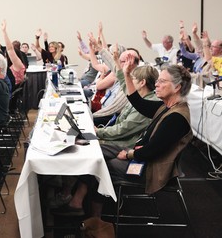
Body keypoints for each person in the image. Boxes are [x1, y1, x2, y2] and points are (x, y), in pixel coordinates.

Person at [53, 62, 193, 220]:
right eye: (157, 80)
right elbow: (138, 103)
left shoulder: (176, 118)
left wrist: (129, 155)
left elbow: (150, 151)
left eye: (162, 81)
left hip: (150, 168)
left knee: (102, 164)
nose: (156, 85)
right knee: (94, 151)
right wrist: (125, 74)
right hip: (139, 153)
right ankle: (73, 195)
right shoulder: (166, 107)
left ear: (177, 87)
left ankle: (93, 216)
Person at [95, 65, 159, 148]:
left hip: (124, 144)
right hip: (119, 139)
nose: (129, 81)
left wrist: (98, 131)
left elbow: (124, 129)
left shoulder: (147, 104)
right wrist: (118, 63)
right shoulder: (138, 97)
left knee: (88, 146)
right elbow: (124, 83)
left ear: (142, 83)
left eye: (132, 79)